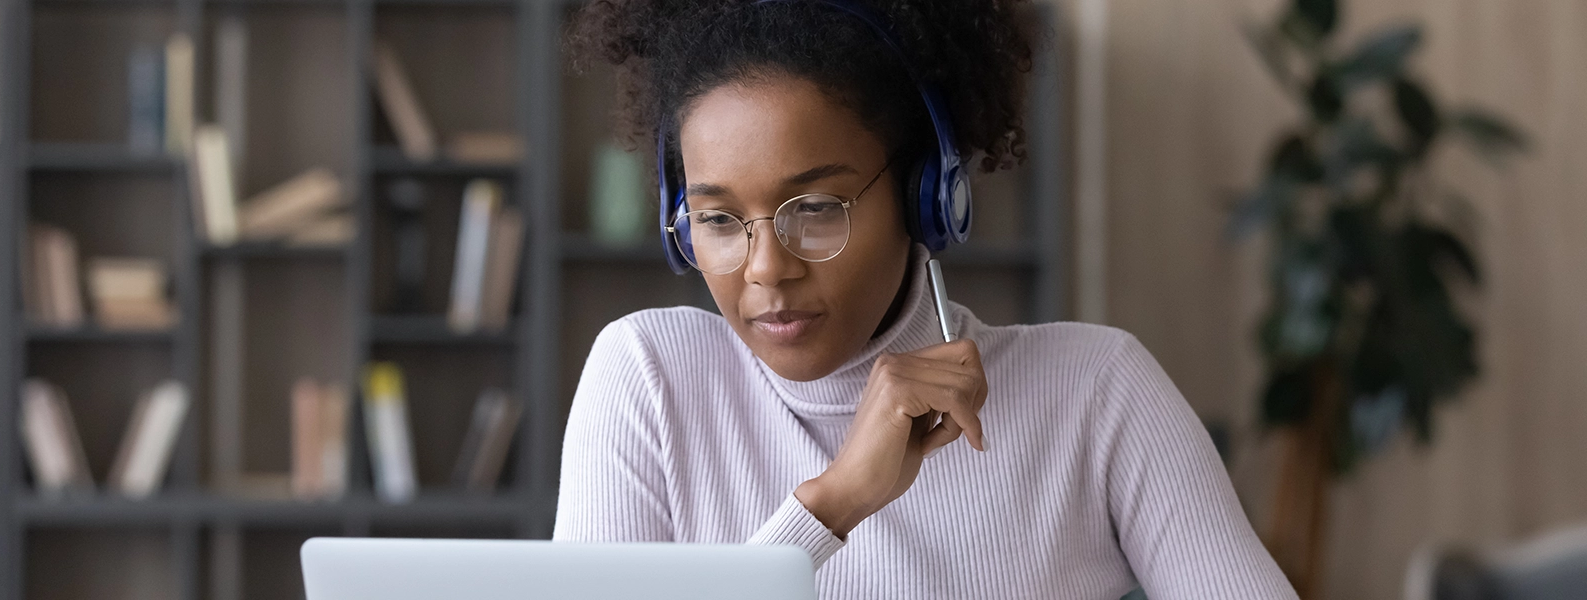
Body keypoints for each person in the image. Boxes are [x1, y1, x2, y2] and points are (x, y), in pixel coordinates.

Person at [555, 1, 1297, 598]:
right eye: (719, 220)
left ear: (927, 197)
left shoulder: (1097, 392)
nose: (766, 271)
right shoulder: (647, 378)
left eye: (815, 207)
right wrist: (833, 506)